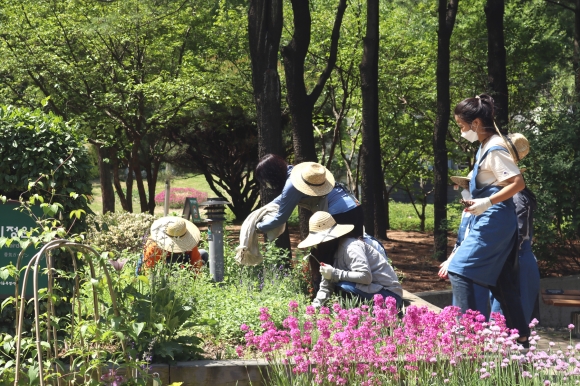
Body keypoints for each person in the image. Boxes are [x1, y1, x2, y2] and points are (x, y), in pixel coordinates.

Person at [446, 94, 530, 347]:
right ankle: (521, 336)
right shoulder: (484, 145)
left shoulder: (494, 147)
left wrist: (487, 202)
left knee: (460, 269)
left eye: (462, 126)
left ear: (475, 123)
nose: (461, 131)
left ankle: (470, 337)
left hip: (494, 221)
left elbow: (518, 183)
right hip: (494, 219)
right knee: (502, 280)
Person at [255, 155, 363, 289]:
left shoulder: (292, 184)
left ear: (272, 175)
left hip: (339, 214)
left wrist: (258, 226)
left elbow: (281, 217)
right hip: (355, 207)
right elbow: (282, 199)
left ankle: (323, 297)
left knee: (322, 258)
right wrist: (259, 212)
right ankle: (362, 293)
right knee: (356, 251)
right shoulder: (297, 173)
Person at [297, 211, 403, 308]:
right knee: (339, 284)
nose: (318, 245)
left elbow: (365, 276)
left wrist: (334, 273)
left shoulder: (351, 247)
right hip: (371, 292)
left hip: (390, 296)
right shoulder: (331, 253)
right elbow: (326, 286)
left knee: (343, 287)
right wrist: (314, 309)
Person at [138, 217, 208, 273]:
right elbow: (149, 270)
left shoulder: (190, 241)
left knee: (203, 254)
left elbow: (196, 261)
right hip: (160, 269)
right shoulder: (153, 245)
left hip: (181, 266)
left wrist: (195, 283)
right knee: (173, 262)